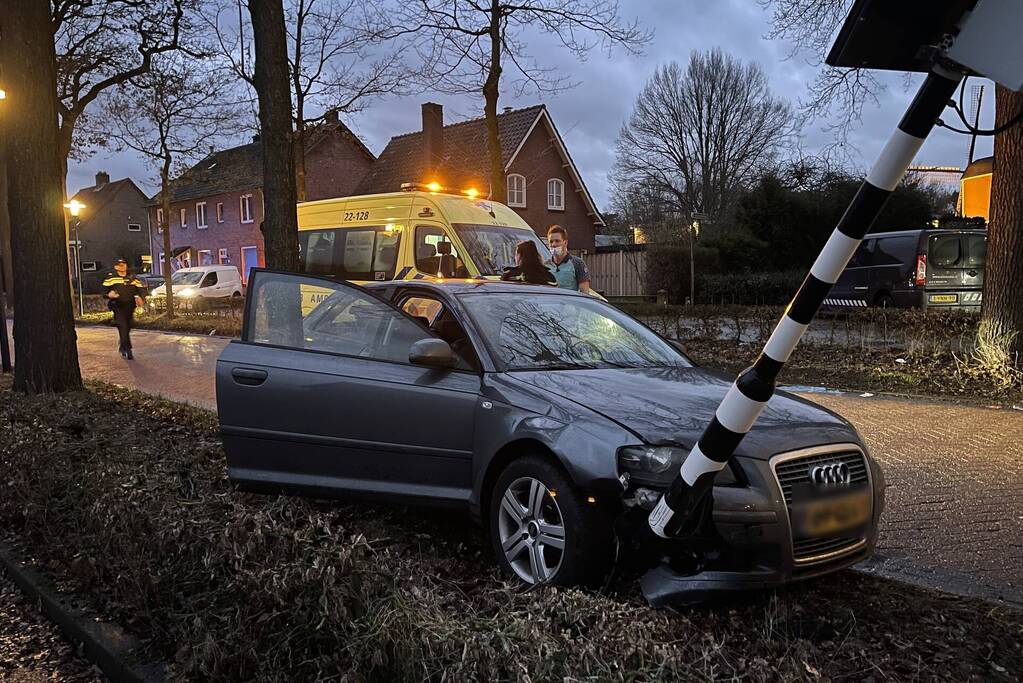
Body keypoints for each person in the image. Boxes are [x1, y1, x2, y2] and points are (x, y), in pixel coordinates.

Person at [102, 259, 147, 359]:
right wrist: (109, 295)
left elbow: (140, 290)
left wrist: (140, 297)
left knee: (128, 326)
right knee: (123, 326)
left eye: (124, 264)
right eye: (120, 265)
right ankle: (127, 349)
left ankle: (123, 344)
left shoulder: (132, 277)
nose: (122, 266)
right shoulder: (111, 278)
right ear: (116, 267)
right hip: (118, 306)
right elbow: (103, 292)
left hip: (130, 306)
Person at [544, 224, 591, 294]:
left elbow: (585, 293)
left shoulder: (577, 263)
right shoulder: (545, 266)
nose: (553, 244)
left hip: (570, 301)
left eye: (557, 241)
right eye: (551, 241)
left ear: (565, 243)